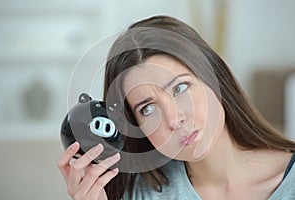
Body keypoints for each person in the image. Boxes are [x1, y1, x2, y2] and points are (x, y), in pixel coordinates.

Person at [57, 15, 295, 200]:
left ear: (214, 77)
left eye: (180, 88)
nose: (174, 119)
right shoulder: (139, 194)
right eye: (148, 109)